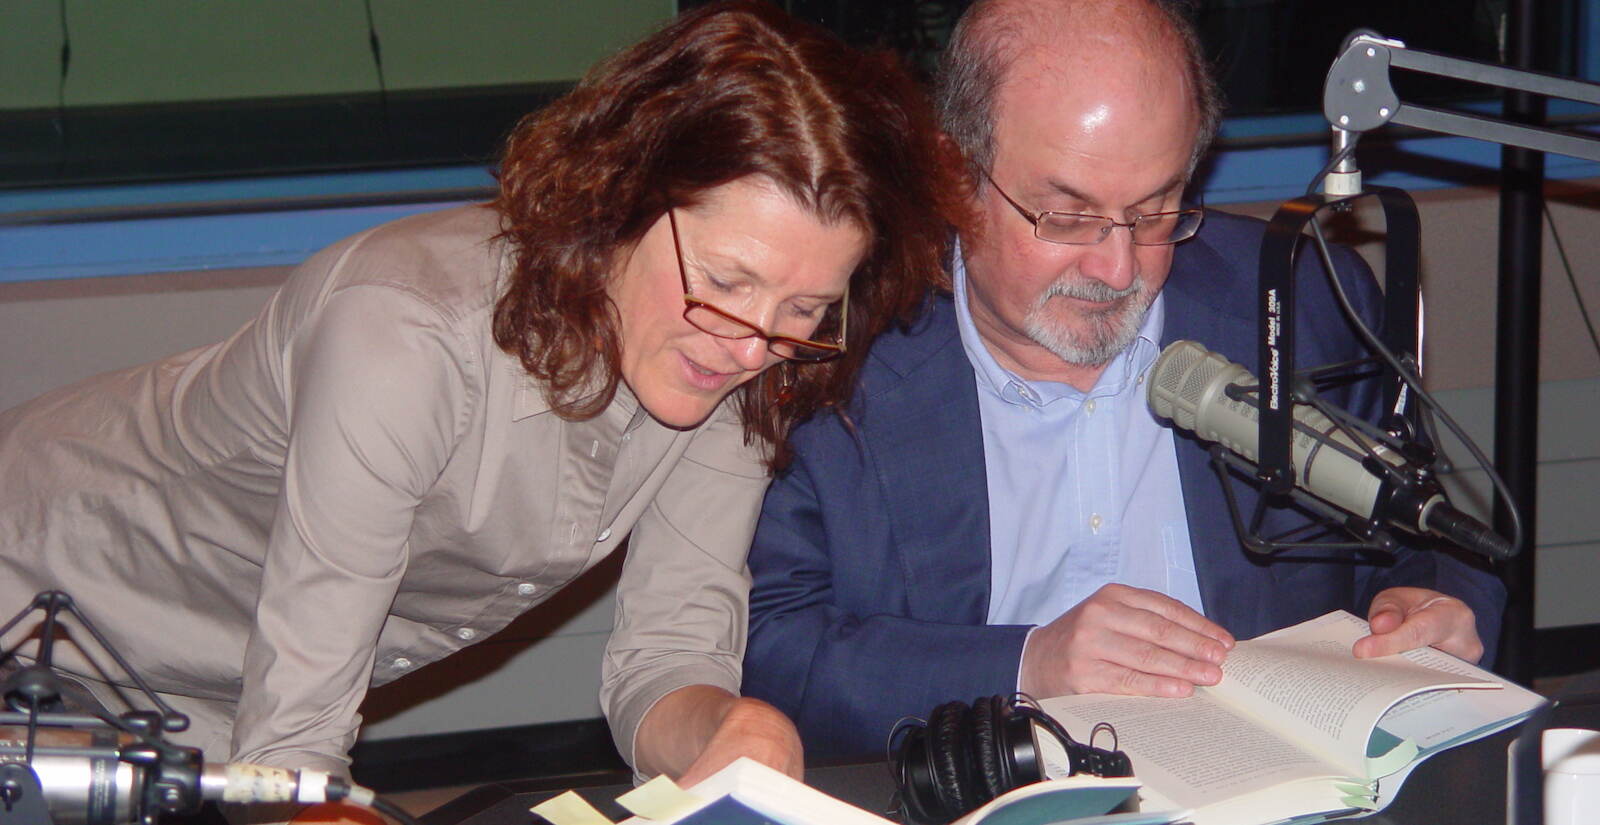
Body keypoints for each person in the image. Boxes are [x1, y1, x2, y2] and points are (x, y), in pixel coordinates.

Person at [0, 0, 964, 787]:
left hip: (198, 702)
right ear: (623, 198)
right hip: (33, 596)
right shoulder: (405, 334)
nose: (754, 340)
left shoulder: (747, 360)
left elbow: (665, 658)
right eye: (725, 279)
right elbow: (295, 740)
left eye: (805, 305)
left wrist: (734, 726)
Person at [741, 0, 1506, 759]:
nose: (1117, 268)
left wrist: (1434, 605)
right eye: (1066, 217)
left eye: (1155, 209)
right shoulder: (835, 348)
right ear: (953, 174)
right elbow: (770, 647)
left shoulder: (1301, 303)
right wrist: (1025, 664)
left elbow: (1426, 539)